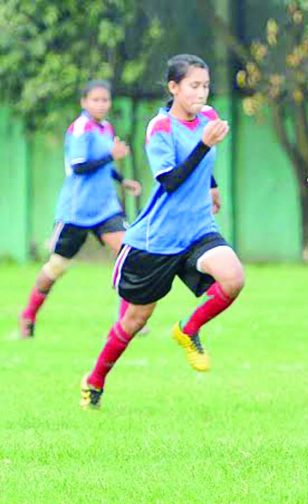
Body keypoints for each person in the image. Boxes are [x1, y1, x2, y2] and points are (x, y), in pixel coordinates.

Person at [80, 54, 243, 409]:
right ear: (174, 87)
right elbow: (169, 181)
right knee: (135, 319)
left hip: (198, 228)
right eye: (194, 86)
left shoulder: (210, 117)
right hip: (158, 239)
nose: (202, 93)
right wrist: (204, 145)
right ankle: (94, 380)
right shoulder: (161, 128)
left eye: (206, 85)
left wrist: (212, 184)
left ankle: (188, 329)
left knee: (233, 279)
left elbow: (203, 164)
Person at [18, 80, 141, 339]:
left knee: (130, 254)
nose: (101, 104)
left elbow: (104, 166)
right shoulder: (80, 129)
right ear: (84, 102)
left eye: (105, 100)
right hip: (77, 210)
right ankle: (28, 316)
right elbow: (79, 166)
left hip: (106, 207)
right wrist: (112, 156)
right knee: (57, 267)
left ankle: (123, 325)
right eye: (95, 100)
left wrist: (122, 180)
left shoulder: (106, 128)